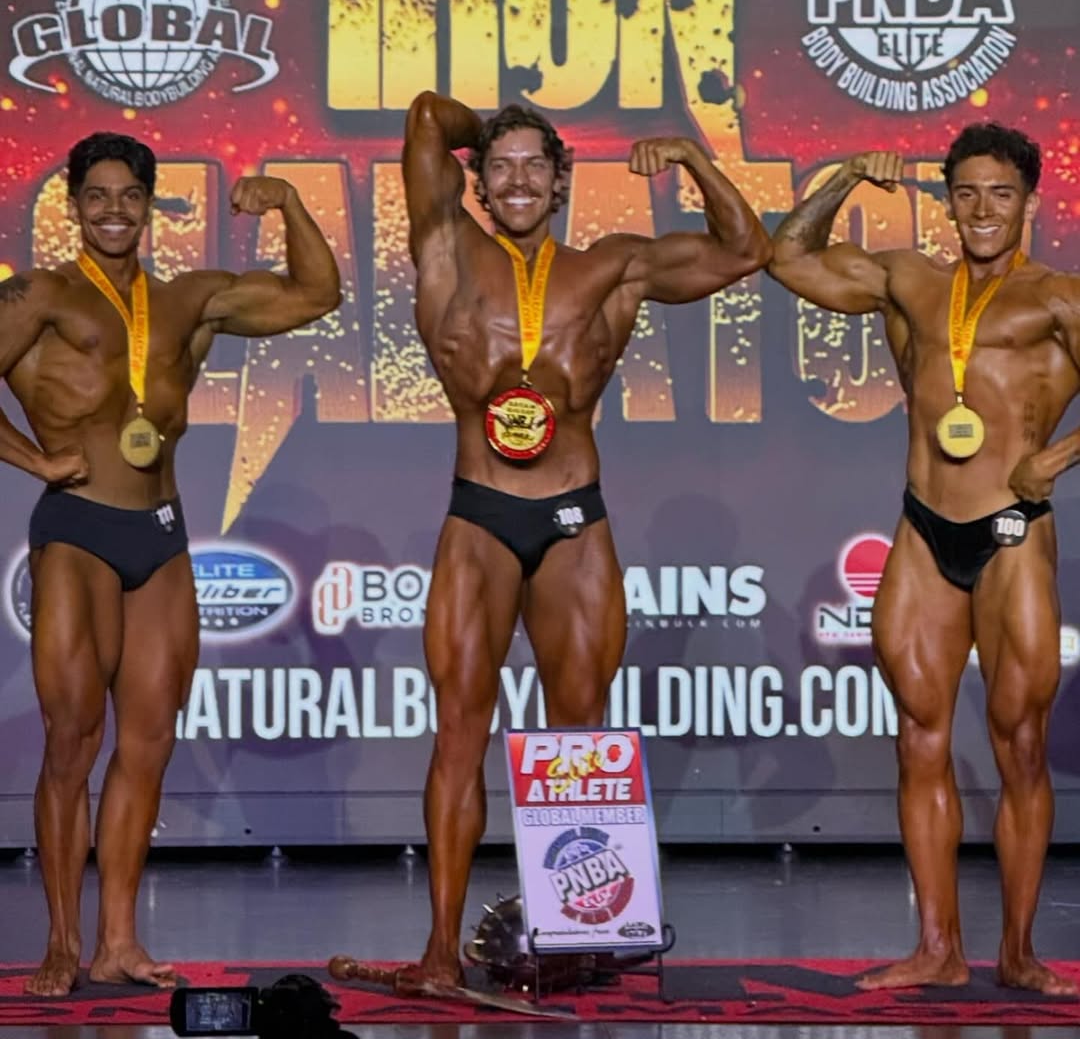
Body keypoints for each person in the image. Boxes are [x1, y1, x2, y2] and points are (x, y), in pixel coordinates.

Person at [400, 93, 772, 991]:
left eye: (537, 164)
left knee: (578, 740)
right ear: (478, 181)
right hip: (479, 514)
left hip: (572, 518)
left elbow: (746, 250)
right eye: (502, 165)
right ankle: (441, 955)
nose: (519, 179)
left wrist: (690, 154)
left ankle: (574, 937)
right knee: (458, 733)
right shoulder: (447, 244)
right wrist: (491, 124)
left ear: (563, 181)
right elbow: (422, 118)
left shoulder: (614, 269)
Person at [0, 132, 341, 996]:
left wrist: (291, 205)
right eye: (98, 196)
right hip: (76, 530)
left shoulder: (190, 299)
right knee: (72, 743)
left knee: (147, 744)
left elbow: (317, 294)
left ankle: (118, 941)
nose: (115, 211)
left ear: (151, 206)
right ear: (72, 205)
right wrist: (36, 461)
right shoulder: (41, 294)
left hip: (162, 535)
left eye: (131, 197)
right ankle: (62, 943)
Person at [768, 122, 1078, 996]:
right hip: (921, 527)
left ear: (1029, 200)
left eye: (1001, 194)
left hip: (1014, 529)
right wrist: (839, 179)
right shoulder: (910, 279)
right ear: (948, 198)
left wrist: (1050, 461)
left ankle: (1017, 952)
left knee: (1020, 744)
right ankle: (937, 946)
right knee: (919, 738)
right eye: (967, 192)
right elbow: (788, 259)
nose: (982, 210)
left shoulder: (1057, 297)